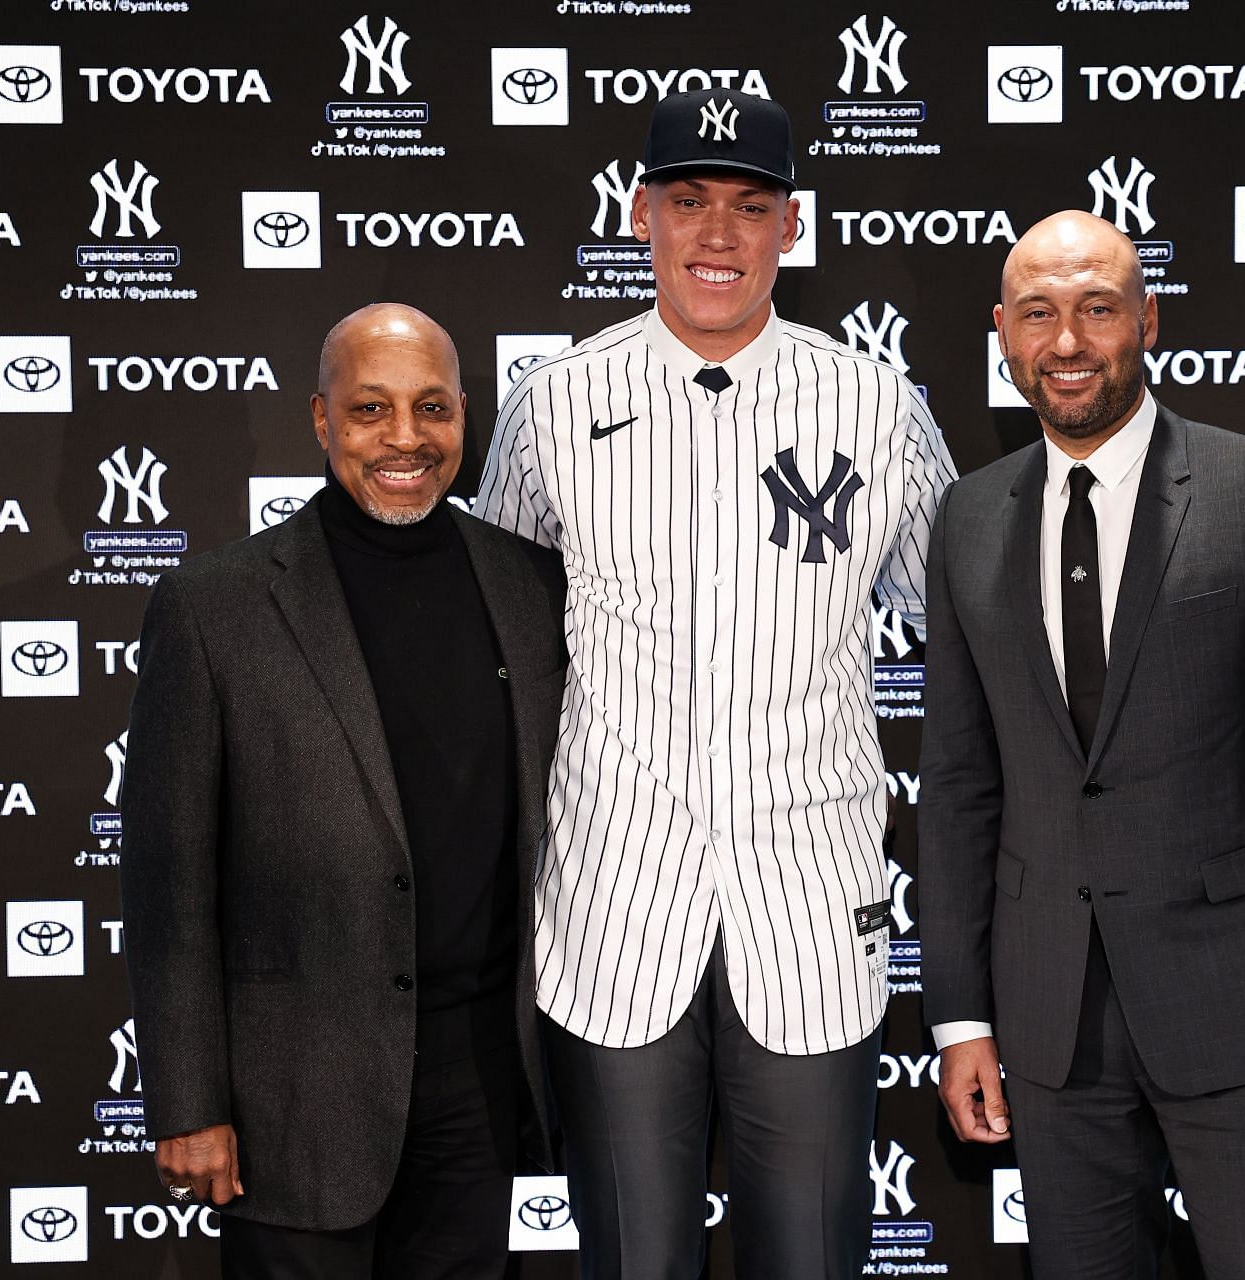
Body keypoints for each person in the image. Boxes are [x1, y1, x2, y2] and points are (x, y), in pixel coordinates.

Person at [475, 89, 956, 1278]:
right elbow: (499, 629)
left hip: (809, 905)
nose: (718, 235)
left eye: (751, 205)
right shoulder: (554, 403)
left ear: (791, 225)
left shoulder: (876, 405)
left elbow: (965, 619)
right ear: (642, 214)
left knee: (812, 1257)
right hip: (612, 907)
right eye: (689, 202)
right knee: (636, 1260)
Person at [919, 210, 1245, 1278]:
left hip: (1244, 1025)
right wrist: (960, 1017)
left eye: (1096, 308)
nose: (1067, 341)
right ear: (1003, 331)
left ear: (1148, 321)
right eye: (1038, 312)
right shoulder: (970, 516)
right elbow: (956, 786)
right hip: (1046, 1026)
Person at [118, 303, 565, 1278]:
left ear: (462, 418)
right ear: (322, 421)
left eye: (431, 408)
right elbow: (167, 883)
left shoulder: (533, 588)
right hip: (294, 1093)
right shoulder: (215, 607)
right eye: (371, 409)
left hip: (481, 1082)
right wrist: (190, 1100)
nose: (405, 438)